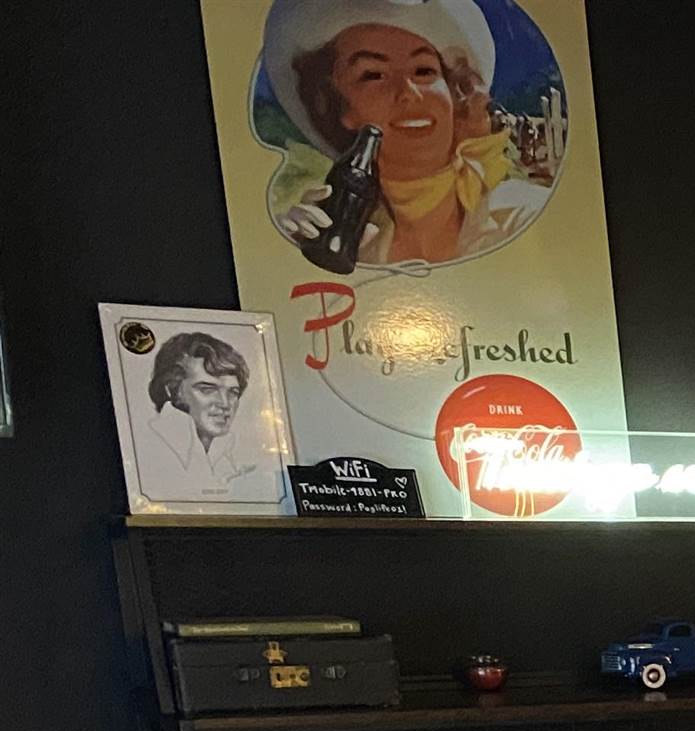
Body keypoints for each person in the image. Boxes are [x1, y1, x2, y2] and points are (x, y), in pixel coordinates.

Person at [260, 0, 550, 267]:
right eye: (373, 75)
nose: (409, 93)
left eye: (424, 71)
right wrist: (290, 255)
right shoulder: (352, 238)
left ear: (454, 94)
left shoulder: (522, 214)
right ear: (336, 106)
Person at [137, 332, 278, 503]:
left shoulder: (231, 454)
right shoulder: (145, 448)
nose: (225, 404)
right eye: (207, 389)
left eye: (233, 392)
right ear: (172, 390)